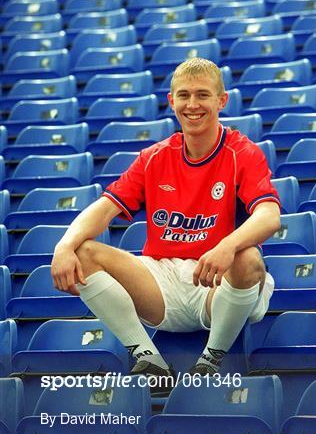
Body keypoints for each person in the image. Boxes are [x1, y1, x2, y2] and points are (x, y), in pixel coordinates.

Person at [51, 58, 281, 394]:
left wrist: (226, 246)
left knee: (247, 259)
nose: (192, 105)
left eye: (202, 95)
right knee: (82, 251)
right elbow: (101, 211)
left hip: (218, 284)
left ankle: (211, 359)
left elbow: (269, 216)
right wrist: (63, 247)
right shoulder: (155, 157)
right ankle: (150, 360)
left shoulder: (241, 152)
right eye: (183, 95)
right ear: (171, 101)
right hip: (164, 282)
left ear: (221, 100)